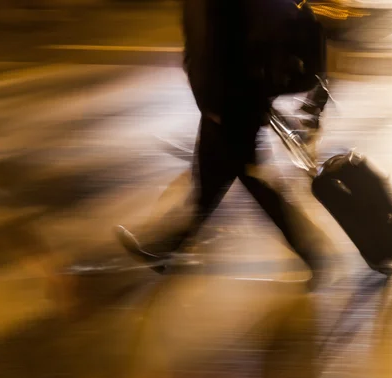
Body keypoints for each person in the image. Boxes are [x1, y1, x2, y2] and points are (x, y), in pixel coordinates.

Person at [115, 0, 332, 289]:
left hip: (233, 103)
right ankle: (166, 249)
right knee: (212, 182)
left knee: (244, 180)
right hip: (227, 102)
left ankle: (313, 253)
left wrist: (219, 102)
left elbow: (231, 46)